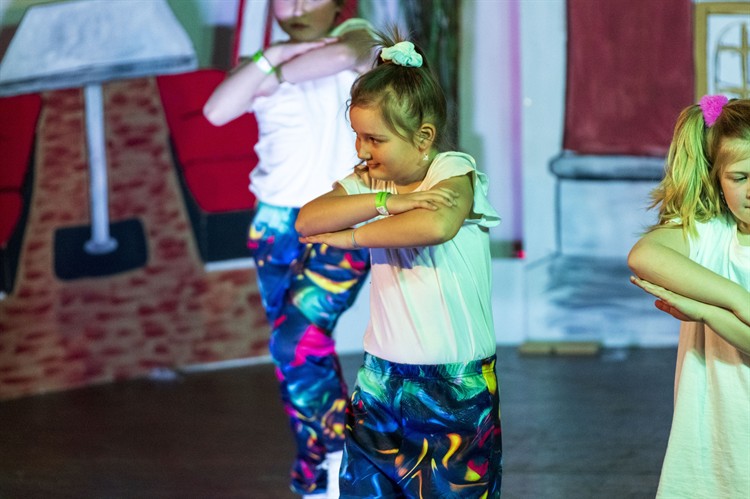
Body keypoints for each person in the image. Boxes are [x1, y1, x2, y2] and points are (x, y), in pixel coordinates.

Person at [295, 29, 503, 498]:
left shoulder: (452, 169)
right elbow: (308, 220)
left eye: (375, 139)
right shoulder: (372, 183)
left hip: (454, 383)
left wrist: (353, 236)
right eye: (357, 136)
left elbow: (436, 225)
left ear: (423, 137)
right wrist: (387, 201)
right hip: (380, 379)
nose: (361, 150)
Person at [202, 1, 375, 497]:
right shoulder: (264, 59)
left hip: (340, 219)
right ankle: (318, 467)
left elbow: (342, 56)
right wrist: (271, 57)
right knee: (296, 350)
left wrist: (273, 72)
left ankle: (339, 455)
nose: (297, 6)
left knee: (294, 342)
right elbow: (216, 112)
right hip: (274, 224)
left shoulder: (359, 36)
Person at [627, 95, 750, 498]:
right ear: (717, 179)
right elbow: (644, 255)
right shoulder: (711, 235)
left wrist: (706, 311)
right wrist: (737, 298)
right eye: (740, 177)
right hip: (713, 451)